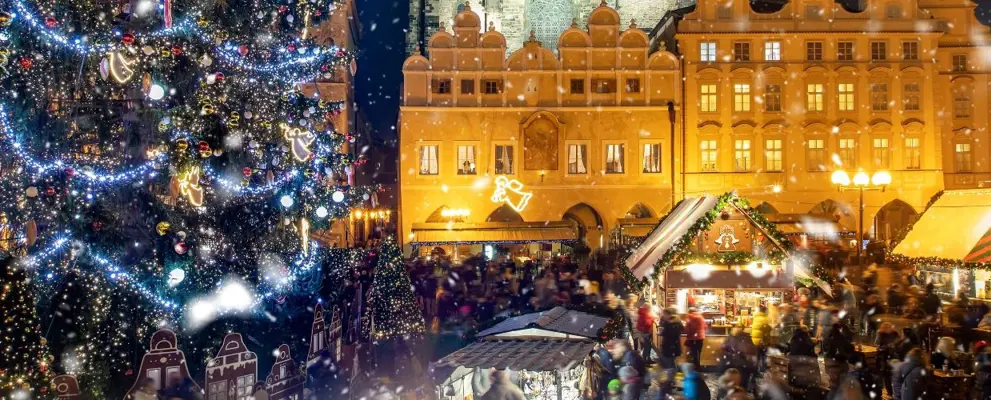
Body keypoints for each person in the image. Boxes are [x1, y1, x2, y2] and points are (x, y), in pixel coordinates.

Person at [874, 321, 901, 396]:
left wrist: (892, 346)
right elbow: (877, 344)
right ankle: (889, 392)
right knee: (886, 375)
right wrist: (887, 346)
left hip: (891, 357)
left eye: (888, 327)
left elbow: (898, 343)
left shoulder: (894, 333)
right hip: (884, 357)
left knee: (889, 375)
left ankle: (891, 392)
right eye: (886, 328)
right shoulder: (880, 333)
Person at [658, 307, 683, 380]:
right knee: (672, 361)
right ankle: (673, 378)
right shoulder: (677, 322)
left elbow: (667, 334)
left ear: (669, 314)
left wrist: (662, 331)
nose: (663, 316)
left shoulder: (669, 323)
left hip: (669, 346)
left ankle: (671, 379)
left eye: (664, 314)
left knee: (669, 363)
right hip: (674, 346)